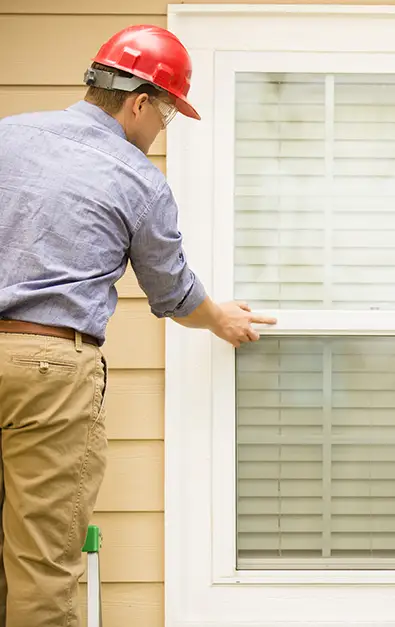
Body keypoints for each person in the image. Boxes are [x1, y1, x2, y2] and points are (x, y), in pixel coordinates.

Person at [0, 24, 274, 626]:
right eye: (167, 116)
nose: (159, 133)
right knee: (42, 566)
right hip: (47, 368)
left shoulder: (7, 135)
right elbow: (172, 291)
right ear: (140, 101)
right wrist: (219, 318)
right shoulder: (136, 178)